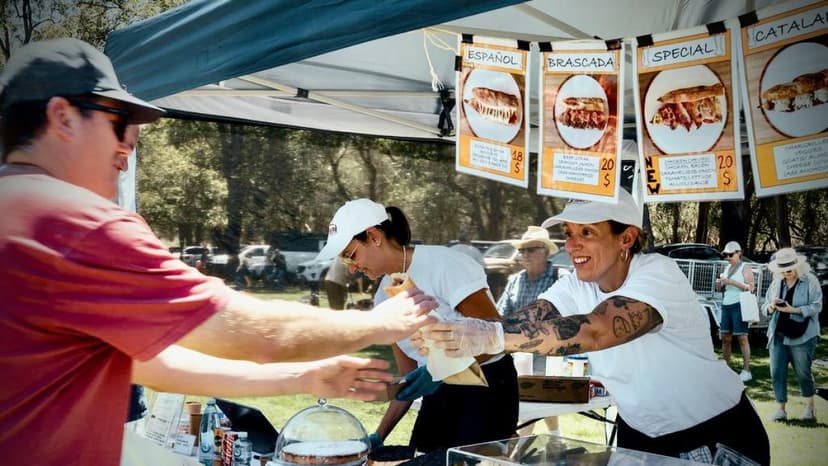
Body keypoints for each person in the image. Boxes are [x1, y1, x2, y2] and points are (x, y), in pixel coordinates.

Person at [0, 38, 439, 466]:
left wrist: (302, 377)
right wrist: (377, 323)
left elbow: (149, 364)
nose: (129, 143)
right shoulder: (76, 224)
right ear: (62, 117)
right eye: (118, 119)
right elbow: (247, 329)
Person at [419, 190, 770, 465]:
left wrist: (490, 336)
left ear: (626, 238)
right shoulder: (577, 284)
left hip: (711, 432)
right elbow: (527, 320)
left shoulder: (657, 273)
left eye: (587, 232)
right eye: (569, 233)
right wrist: (453, 337)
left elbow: (597, 330)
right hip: (640, 432)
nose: (572, 245)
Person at [315, 198, 518, 453]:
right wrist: (378, 436)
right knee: (422, 457)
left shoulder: (444, 265)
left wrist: (437, 371)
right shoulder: (383, 297)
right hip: (441, 390)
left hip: (487, 387)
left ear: (374, 236)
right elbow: (408, 380)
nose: (353, 268)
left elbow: (498, 334)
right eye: (346, 262)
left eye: (351, 255)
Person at [496, 226, 560, 435]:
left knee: (532, 400)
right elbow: (501, 313)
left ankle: (518, 450)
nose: (525, 255)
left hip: (549, 352)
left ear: (545, 251)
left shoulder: (560, 277)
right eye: (522, 250)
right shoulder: (516, 280)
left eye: (531, 249)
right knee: (537, 398)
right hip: (519, 353)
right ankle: (555, 438)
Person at [762, 247, 822, 422]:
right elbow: (765, 307)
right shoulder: (776, 283)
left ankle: (810, 409)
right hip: (778, 334)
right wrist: (772, 307)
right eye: (783, 270)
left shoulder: (810, 281)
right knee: (777, 373)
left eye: (789, 269)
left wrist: (793, 310)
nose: (787, 273)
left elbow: (817, 306)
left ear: (796, 265)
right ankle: (781, 409)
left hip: (803, 335)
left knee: (803, 372)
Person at [714, 241, 755, 382]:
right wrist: (719, 284)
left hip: (740, 305)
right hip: (726, 305)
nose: (728, 257)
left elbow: (751, 287)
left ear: (739, 253)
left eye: (730, 254)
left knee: (742, 338)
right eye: (725, 255)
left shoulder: (745, 267)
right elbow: (720, 290)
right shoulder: (726, 268)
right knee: (725, 338)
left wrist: (731, 282)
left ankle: (746, 370)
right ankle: (726, 368)